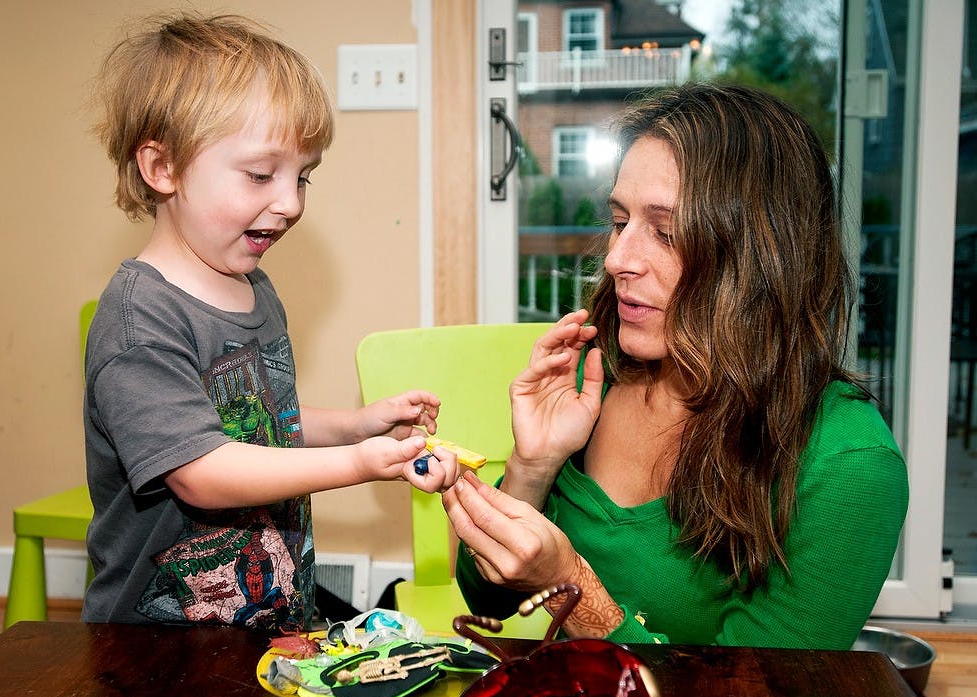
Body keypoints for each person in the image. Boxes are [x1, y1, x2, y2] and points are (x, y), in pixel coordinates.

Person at [443, 83, 909, 650]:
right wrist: (533, 469)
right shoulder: (599, 372)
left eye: (665, 232)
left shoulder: (847, 466)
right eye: (620, 221)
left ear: (761, 254)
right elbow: (487, 597)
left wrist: (576, 590)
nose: (617, 259)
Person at [82, 13, 460, 629]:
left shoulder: (255, 291)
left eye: (302, 177)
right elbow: (204, 470)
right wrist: (359, 464)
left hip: (270, 617)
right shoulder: (139, 319)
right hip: (160, 645)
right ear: (162, 168)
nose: (290, 203)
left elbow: (258, 424)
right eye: (261, 174)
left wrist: (353, 426)